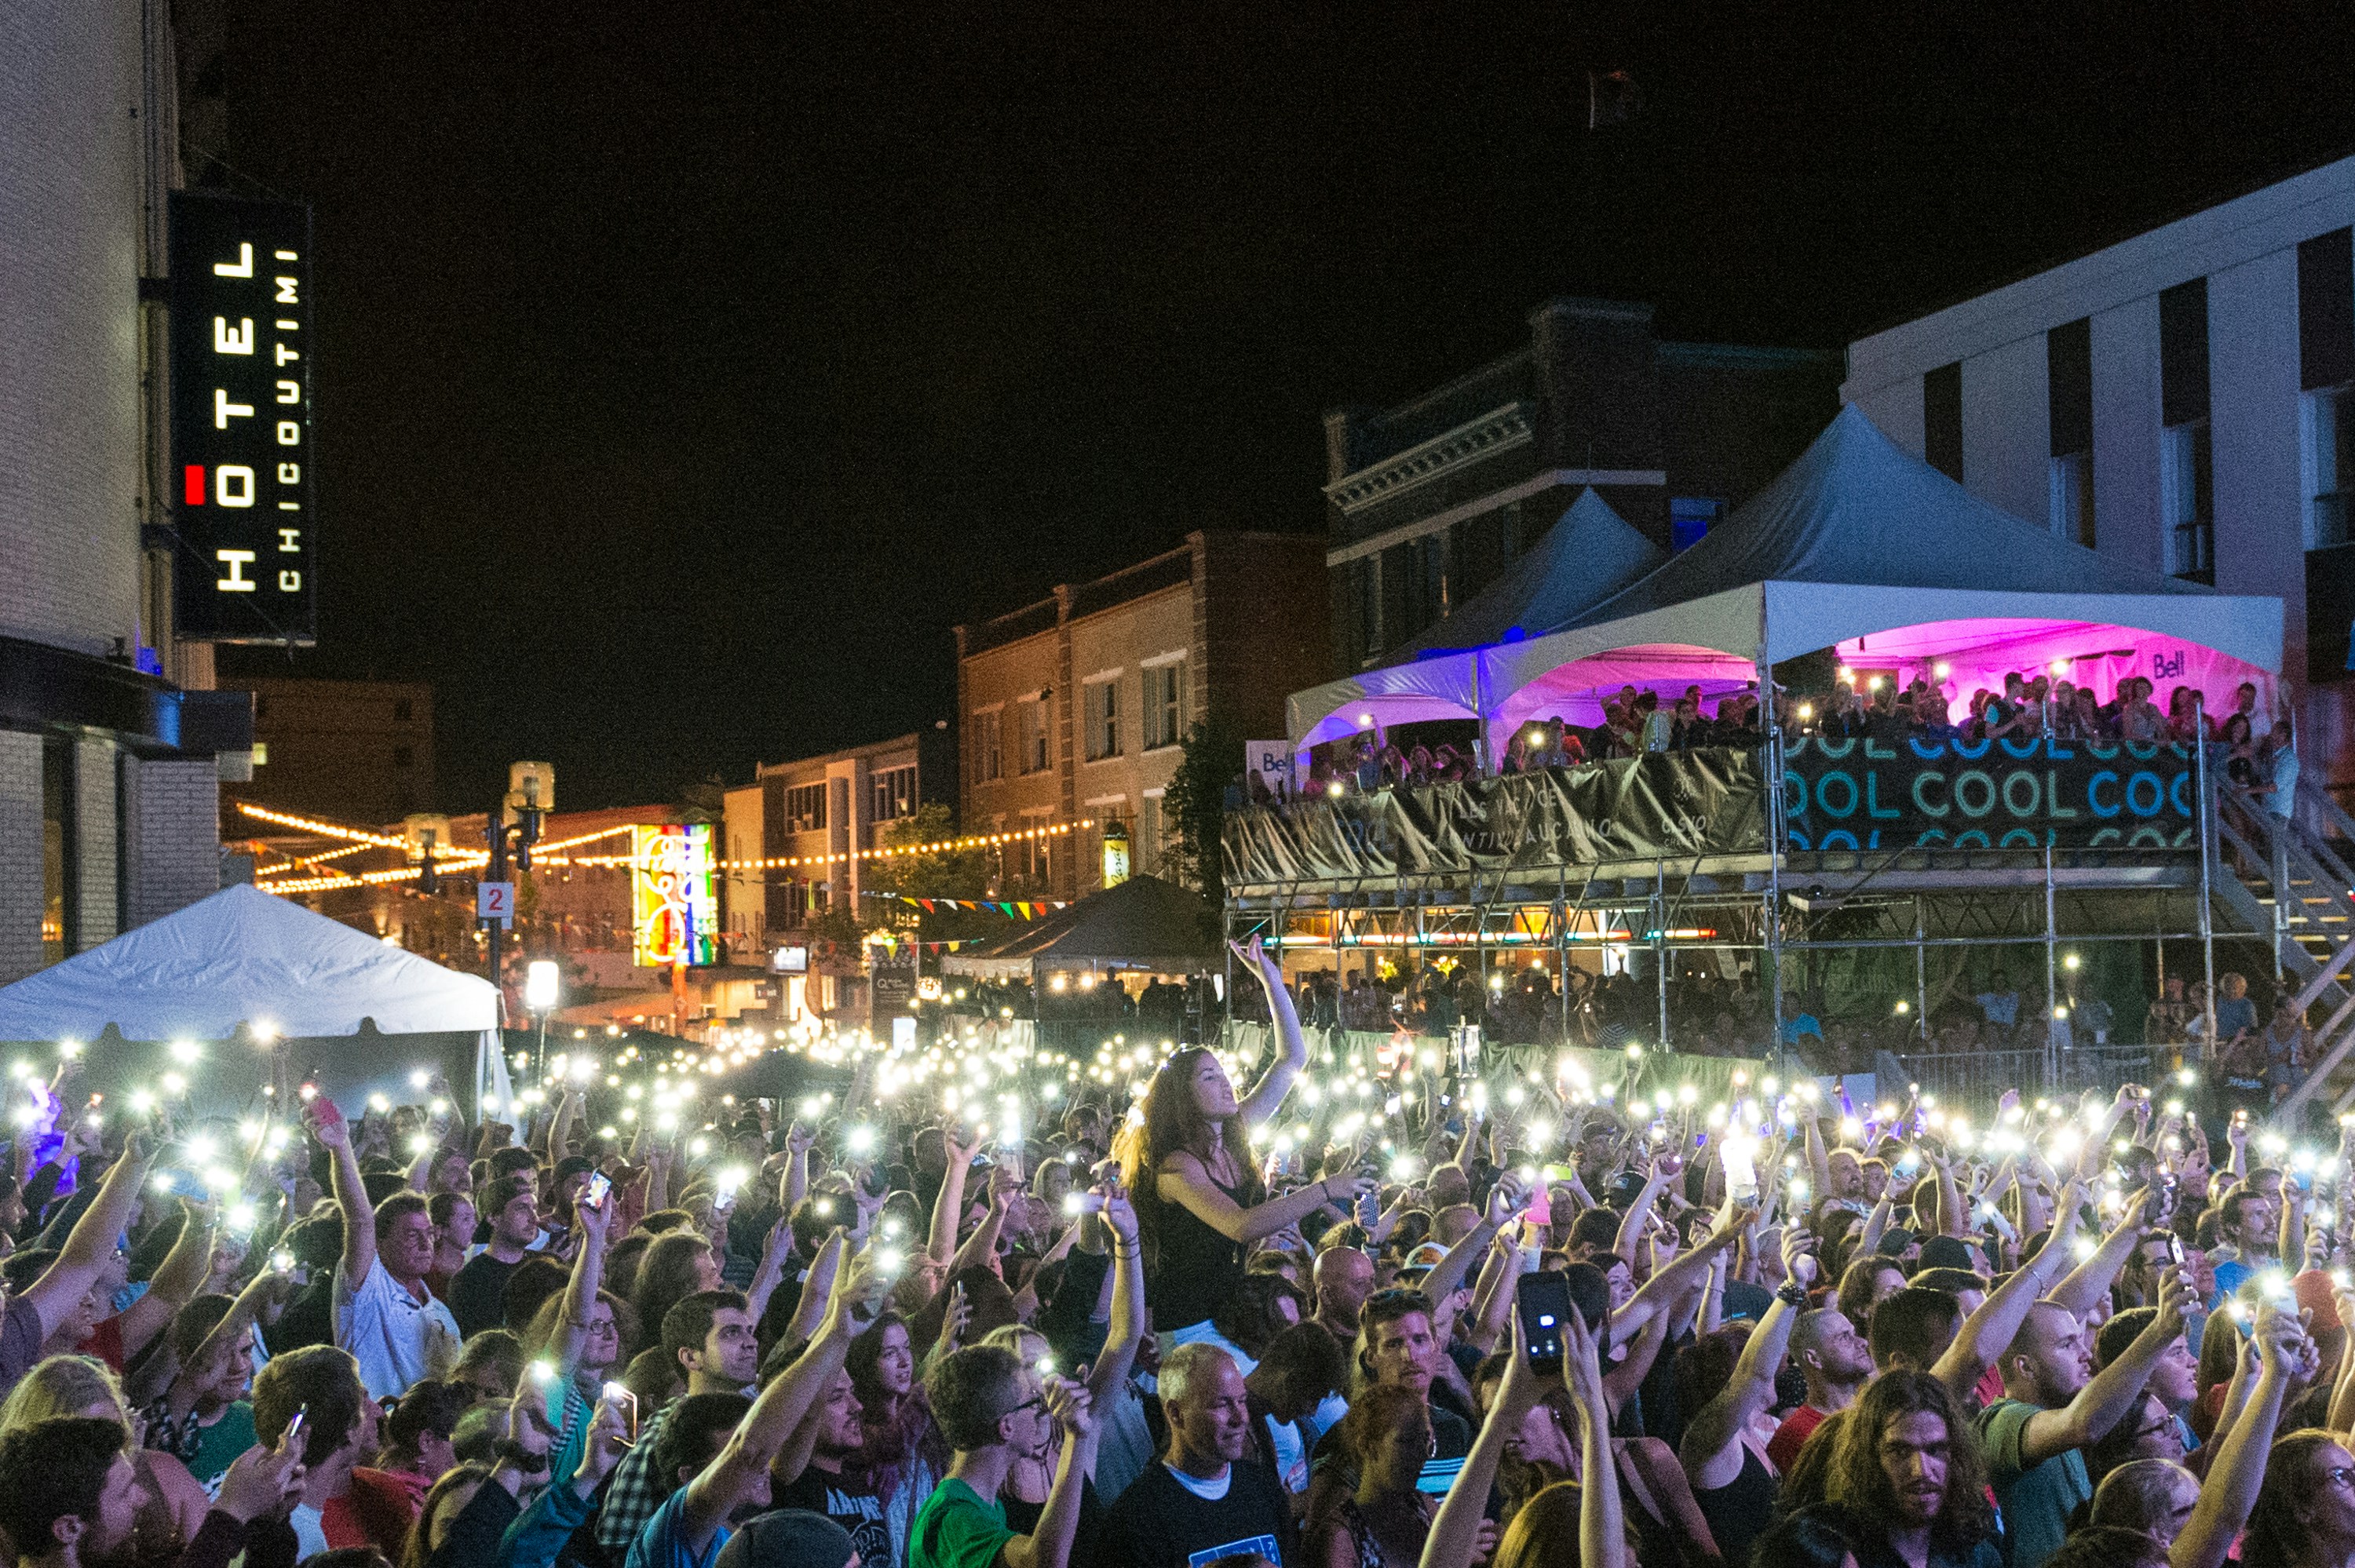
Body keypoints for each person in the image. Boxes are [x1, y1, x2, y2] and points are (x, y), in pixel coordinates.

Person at [1118, 938, 1364, 1344]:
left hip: (1232, 1312)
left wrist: (1271, 979)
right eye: (1209, 1077)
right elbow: (1240, 1225)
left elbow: (1292, 1060)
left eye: (1223, 1072)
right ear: (1183, 1096)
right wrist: (1325, 1190)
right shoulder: (1177, 1166)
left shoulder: (1232, 1135)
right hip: (1187, 1325)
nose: (1225, 1083)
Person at [628, 1242, 885, 1568]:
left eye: (749, 1332)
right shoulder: (672, 1537)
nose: (763, 1465)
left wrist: (842, 1333)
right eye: (731, 1333)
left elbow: (809, 1415)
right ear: (690, 1476)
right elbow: (748, 1451)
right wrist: (834, 1330)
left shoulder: (757, 1534)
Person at [1977, 1271, 2193, 1568]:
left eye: (2081, 1341)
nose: (2086, 1355)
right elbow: (2083, 1425)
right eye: (2067, 1345)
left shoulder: (2062, 1410)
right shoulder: (2001, 1421)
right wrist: (2160, 1331)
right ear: (2025, 1367)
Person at [1678, 1225, 1815, 1568]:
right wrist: (1793, 1287)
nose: (1778, 1360)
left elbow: (1711, 1348)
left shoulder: (1756, 1430)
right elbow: (1753, 1370)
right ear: (1732, 1377)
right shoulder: (1708, 1443)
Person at [313, 1098, 462, 1401]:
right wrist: (341, 1145)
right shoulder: (369, 1292)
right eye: (411, 1235)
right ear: (379, 1245)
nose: (425, 1244)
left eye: (428, 1234)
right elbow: (360, 1220)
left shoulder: (441, 1314)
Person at [1094, 1343, 1291, 1568]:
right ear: (1176, 1413)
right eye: (1222, 1404)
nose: (1240, 1418)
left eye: (1242, 1401)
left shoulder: (1263, 1488)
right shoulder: (1137, 1519)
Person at [910, 1344, 1100, 1568]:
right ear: (1007, 1426)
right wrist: (1075, 1437)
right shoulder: (951, 1517)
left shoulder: (987, 1505)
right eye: (1033, 1401)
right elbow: (1043, 1563)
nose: (1043, 1411)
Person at [1822, 1370, 2000, 1568]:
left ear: (1956, 1453)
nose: (1921, 1471)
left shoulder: (1978, 1556)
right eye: (1900, 1452)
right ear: (1870, 1456)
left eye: (1935, 1450)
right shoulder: (1842, 1555)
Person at [1768, 1304, 1873, 1472]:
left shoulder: (1876, 1412)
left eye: (1854, 1333)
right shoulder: (1793, 1438)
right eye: (1844, 1337)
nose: (1863, 1342)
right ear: (1814, 1358)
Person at [447, 1176, 538, 1340]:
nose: (534, 1218)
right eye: (522, 1208)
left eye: (534, 1208)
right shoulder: (469, 1281)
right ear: (494, 1218)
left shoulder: (543, 1267)